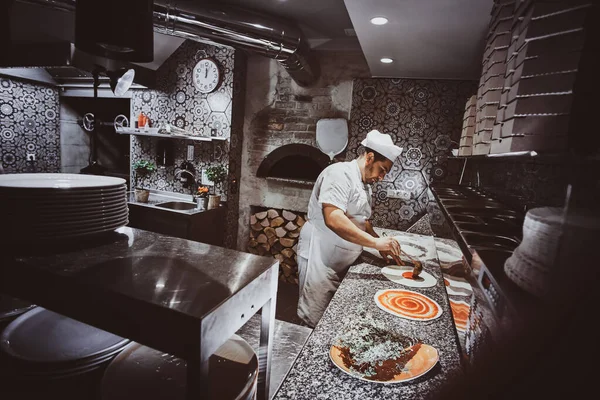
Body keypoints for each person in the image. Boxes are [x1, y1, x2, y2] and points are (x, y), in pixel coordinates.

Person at [297, 129, 404, 328]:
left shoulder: (365, 185)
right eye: (382, 170)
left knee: (331, 319)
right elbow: (334, 218)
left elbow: (361, 220)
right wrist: (375, 242)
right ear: (370, 157)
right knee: (314, 317)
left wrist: (379, 243)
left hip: (340, 258)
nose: (382, 177)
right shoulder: (339, 173)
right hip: (321, 254)